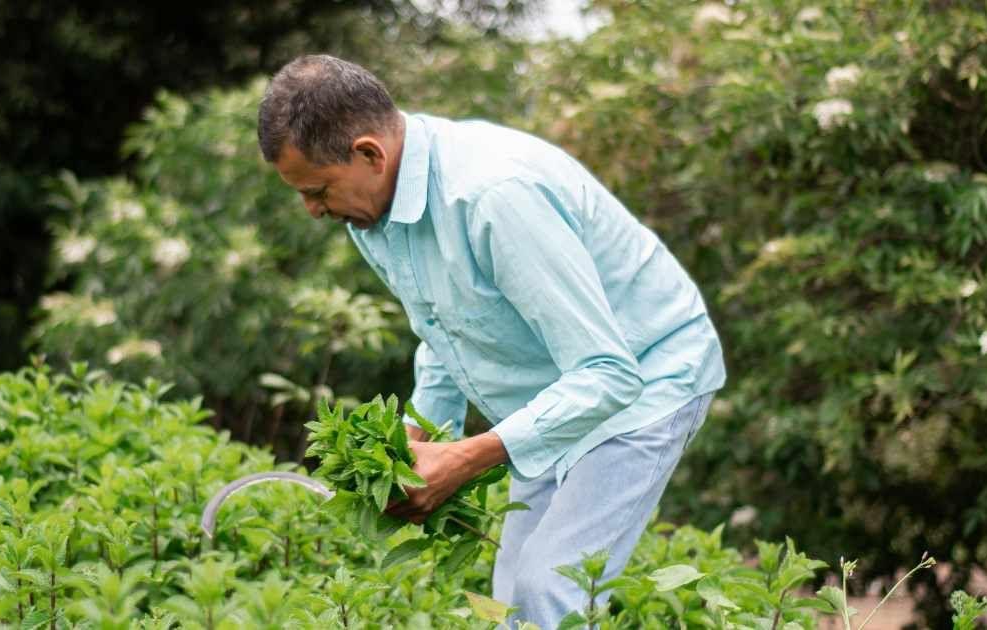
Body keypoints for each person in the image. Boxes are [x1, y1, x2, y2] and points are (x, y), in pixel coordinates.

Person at [258, 54, 726, 628]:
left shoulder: (493, 195)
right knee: (510, 599)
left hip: (645, 380)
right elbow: (443, 325)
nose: (311, 210)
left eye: (318, 189)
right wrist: (419, 435)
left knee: (549, 588)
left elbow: (609, 370)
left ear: (368, 153)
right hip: (557, 391)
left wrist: (462, 458)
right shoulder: (372, 212)